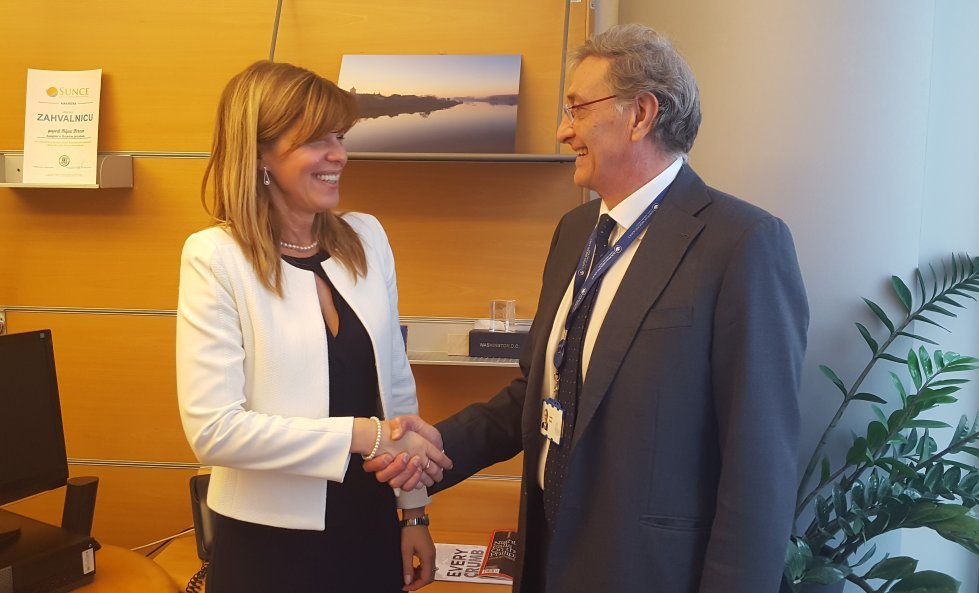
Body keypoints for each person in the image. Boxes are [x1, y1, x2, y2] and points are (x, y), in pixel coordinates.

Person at [366, 24, 810, 593]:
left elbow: (759, 464)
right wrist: (434, 447)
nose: (562, 131)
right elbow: (539, 392)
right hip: (548, 556)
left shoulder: (742, 243)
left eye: (576, 108)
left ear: (640, 115)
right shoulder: (576, 231)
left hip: (649, 572)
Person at [175, 60, 452, 593]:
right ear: (259, 153)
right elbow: (214, 431)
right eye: (316, 140)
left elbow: (395, 388)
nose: (339, 155)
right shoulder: (215, 257)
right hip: (267, 544)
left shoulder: (367, 238)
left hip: (370, 525)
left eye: (340, 137)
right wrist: (364, 435)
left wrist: (414, 512)